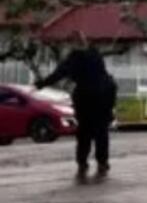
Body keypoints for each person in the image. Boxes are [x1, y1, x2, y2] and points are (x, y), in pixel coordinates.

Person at [36, 39, 118, 177]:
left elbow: (59, 74)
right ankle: (102, 163)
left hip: (86, 98)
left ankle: (82, 163)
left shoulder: (74, 58)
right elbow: (109, 83)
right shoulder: (95, 54)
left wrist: (42, 84)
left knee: (84, 133)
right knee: (101, 133)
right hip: (103, 97)